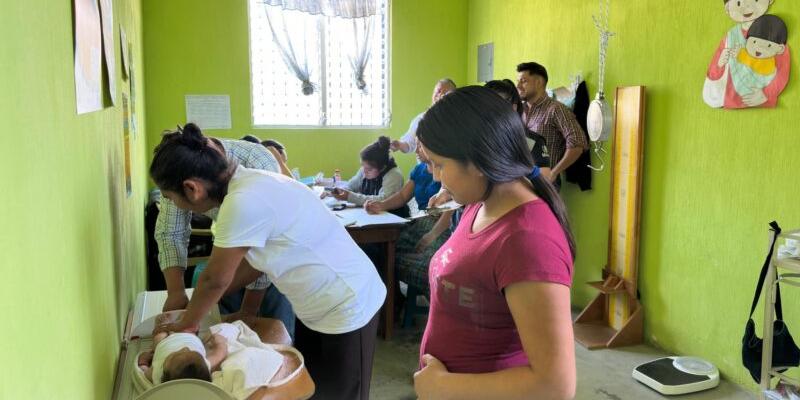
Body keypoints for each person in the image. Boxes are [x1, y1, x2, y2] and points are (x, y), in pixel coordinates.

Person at [149, 126, 386, 400]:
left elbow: (214, 279)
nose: (174, 205)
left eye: (171, 198)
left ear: (192, 188)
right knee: (316, 389)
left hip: (348, 304)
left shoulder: (242, 201)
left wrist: (186, 325)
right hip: (319, 305)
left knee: (343, 394)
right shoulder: (248, 184)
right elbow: (252, 264)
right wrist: (197, 309)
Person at [412, 86, 576, 399]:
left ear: (477, 161)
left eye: (439, 164)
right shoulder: (479, 203)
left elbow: (555, 386)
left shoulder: (528, 240)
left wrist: (443, 386)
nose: (435, 177)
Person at [155, 124, 295, 337]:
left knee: (273, 333)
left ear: (192, 189)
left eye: (170, 198)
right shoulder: (179, 171)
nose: (170, 202)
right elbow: (171, 232)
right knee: (222, 324)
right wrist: (176, 293)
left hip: (283, 267)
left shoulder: (257, 170)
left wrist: (248, 310)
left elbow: (263, 252)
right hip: (246, 255)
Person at [364, 139, 452, 297]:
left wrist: (431, 235)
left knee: (425, 266)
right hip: (419, 222)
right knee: (381, 251)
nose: (416, 150)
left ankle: (412, 300)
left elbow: (450, 211)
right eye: (416, 145)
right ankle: (393, 300)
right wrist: (381, 205)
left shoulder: (446, 171)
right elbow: (403, 196)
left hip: (438, 226)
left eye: (420, 146)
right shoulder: (419, 170)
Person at [704, 0, 789, 108]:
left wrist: (766, 93)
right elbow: (715, 69)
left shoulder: (775, 30)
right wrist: (720, 64)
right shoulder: (731, 36)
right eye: (738, 3)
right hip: (730, 97)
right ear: (727, 8)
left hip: (761, 97)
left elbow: (782, 69)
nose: (747, 6)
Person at [516, 62, 588, 188]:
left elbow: (578, 143)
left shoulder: (556, 109)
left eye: (523, 81)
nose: (518, 86)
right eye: (518, 82)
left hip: (544, 185)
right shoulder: (519, 110)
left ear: (538, 82)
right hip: (520, 182)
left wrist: (554, 173)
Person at [485, 79, 552, 179]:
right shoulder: (477, 138)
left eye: (497, 105)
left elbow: (545, 179)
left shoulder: (532, 142)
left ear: (513, 107)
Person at [330, 136, 408, 216]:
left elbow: (383, 200)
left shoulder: (394, 175)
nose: (364, 171)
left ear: (382, 168)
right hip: (373, 215)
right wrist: (340, 192)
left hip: (393, 217)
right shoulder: (365, 169)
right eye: (362, 166)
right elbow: (351, 185)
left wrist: (350, 197)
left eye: (369, 169)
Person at [726, 15, 788, 99]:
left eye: (769, 45)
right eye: (754, 42)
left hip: (753, 90)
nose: (758, 48)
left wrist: (740, 55)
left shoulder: (769, 62)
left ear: (780, 49)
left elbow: (761, 68)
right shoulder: (745, 50)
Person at [390, 78, 456, 154]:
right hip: (426, 161)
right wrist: (399, 145)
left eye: (446, 94)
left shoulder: (457, 120)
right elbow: (409, 143)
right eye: (438, 91)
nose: (441, 95)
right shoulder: (421, 119)